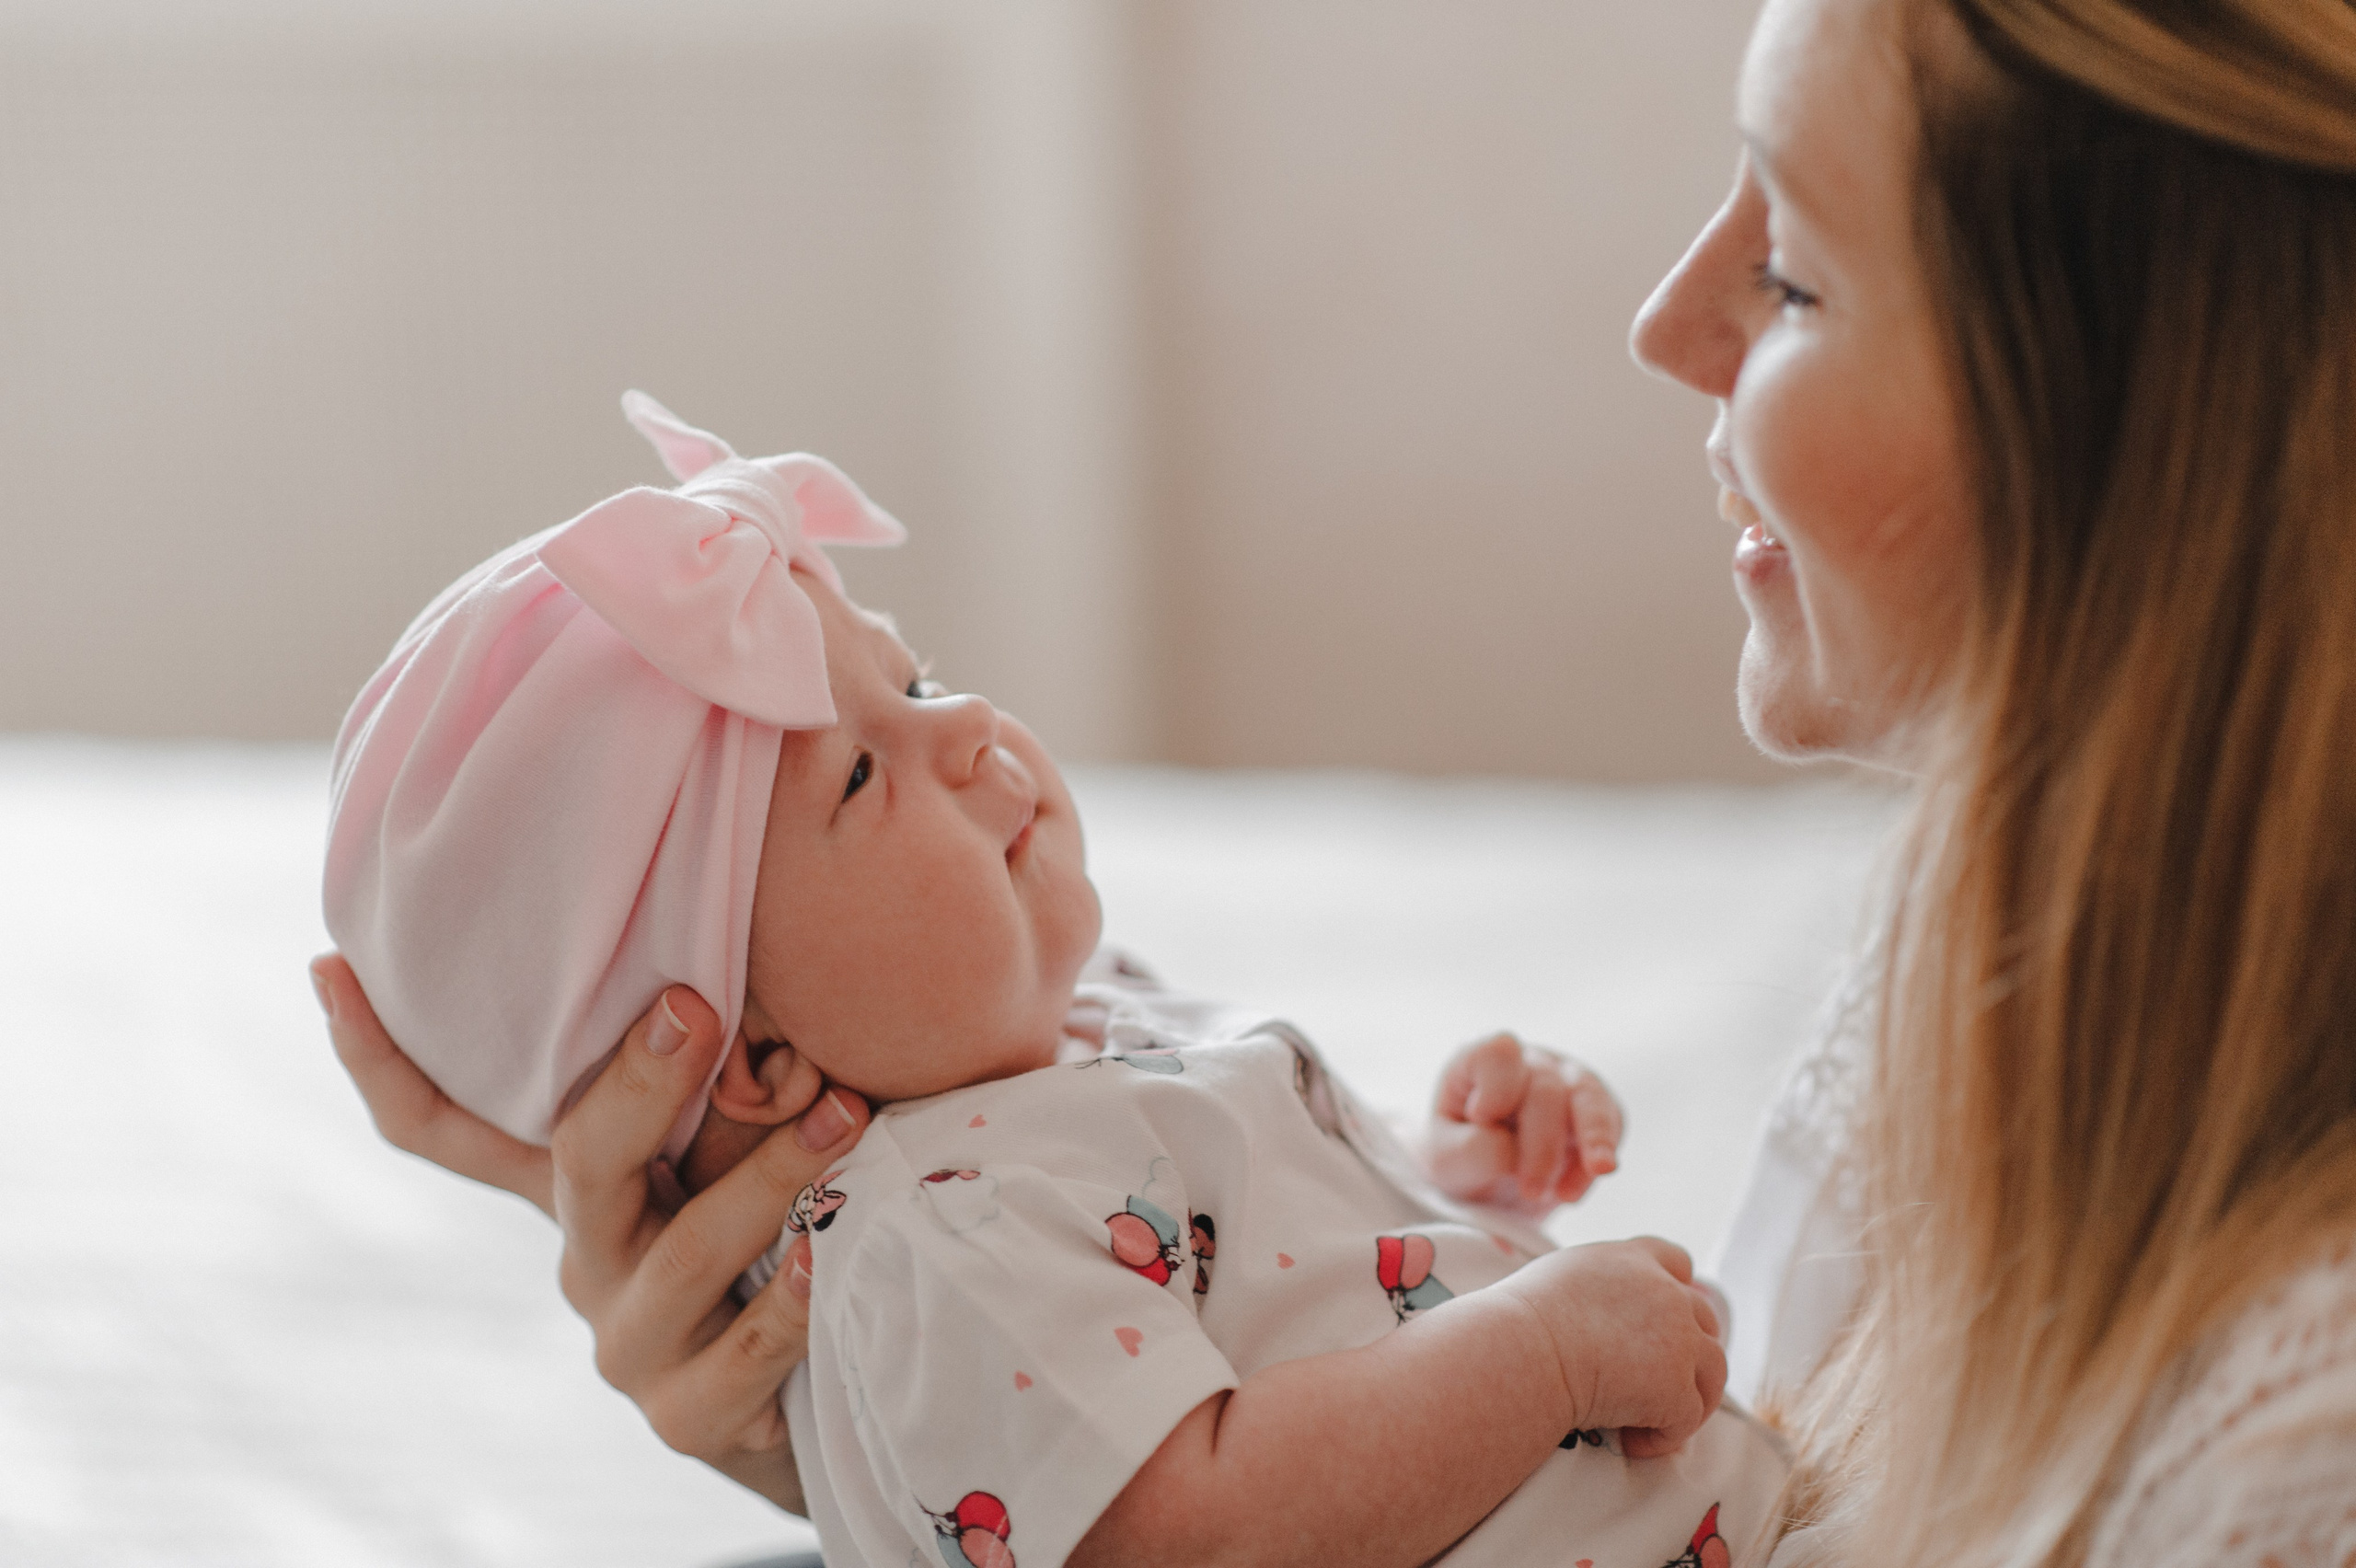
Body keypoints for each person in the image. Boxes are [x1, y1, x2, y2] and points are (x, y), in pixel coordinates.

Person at [318, 0, 2356, 1560]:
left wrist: (1459, 1223)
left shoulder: (2284, 1442)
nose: (1658, 324)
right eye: (860, 779)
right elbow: (1226, 1480)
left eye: (1797, 268)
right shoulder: (2023, 904)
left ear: (2137, 423)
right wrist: (857, 1435)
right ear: (739, 1057)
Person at [319, 391, 1775, 1567]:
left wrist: (1453, 1171)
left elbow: (1276, 1285)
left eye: (918, 674)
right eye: (863, 775)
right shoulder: (935, 1236)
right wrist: (1543, 1354)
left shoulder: (1067, 1049)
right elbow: (1198, 1534)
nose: (967, 729)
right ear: (747, 1057)